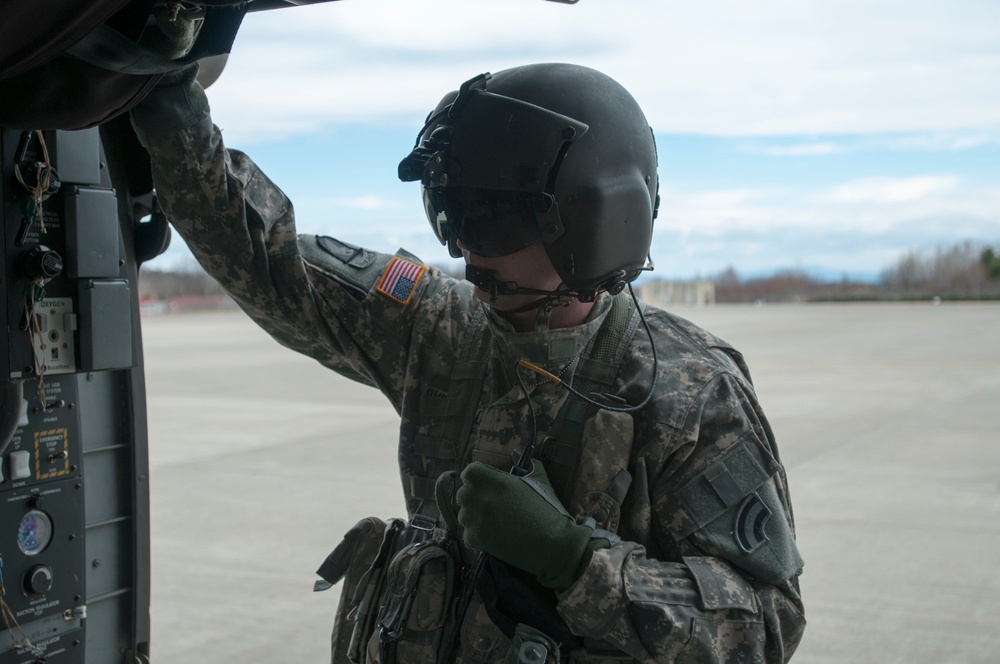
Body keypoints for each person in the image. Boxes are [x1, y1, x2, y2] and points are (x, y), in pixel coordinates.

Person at [131, 61, 805, 663]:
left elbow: (767, 627)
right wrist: (170, 105)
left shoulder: (689, 392)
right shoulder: (442, 326)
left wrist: (573, 560)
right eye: (448, 215)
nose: (465, 251)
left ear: (592, 222)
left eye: (490, 220)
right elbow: (268, 263)